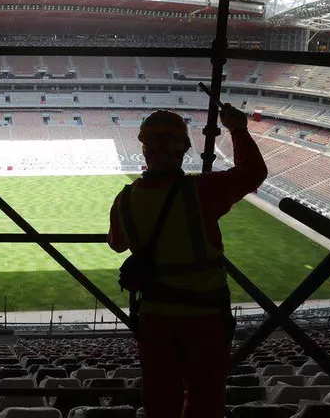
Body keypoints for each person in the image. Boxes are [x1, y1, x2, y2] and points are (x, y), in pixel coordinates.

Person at [108, 105, 267, 418]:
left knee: (159, 401)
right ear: (183, 149)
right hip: (205, 317)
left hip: (154, 318)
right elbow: (253, 173)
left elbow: (116, 244)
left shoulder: (125, 199)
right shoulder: (203, 190)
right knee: (205, 401)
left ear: (144, 149)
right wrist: (237, 128)